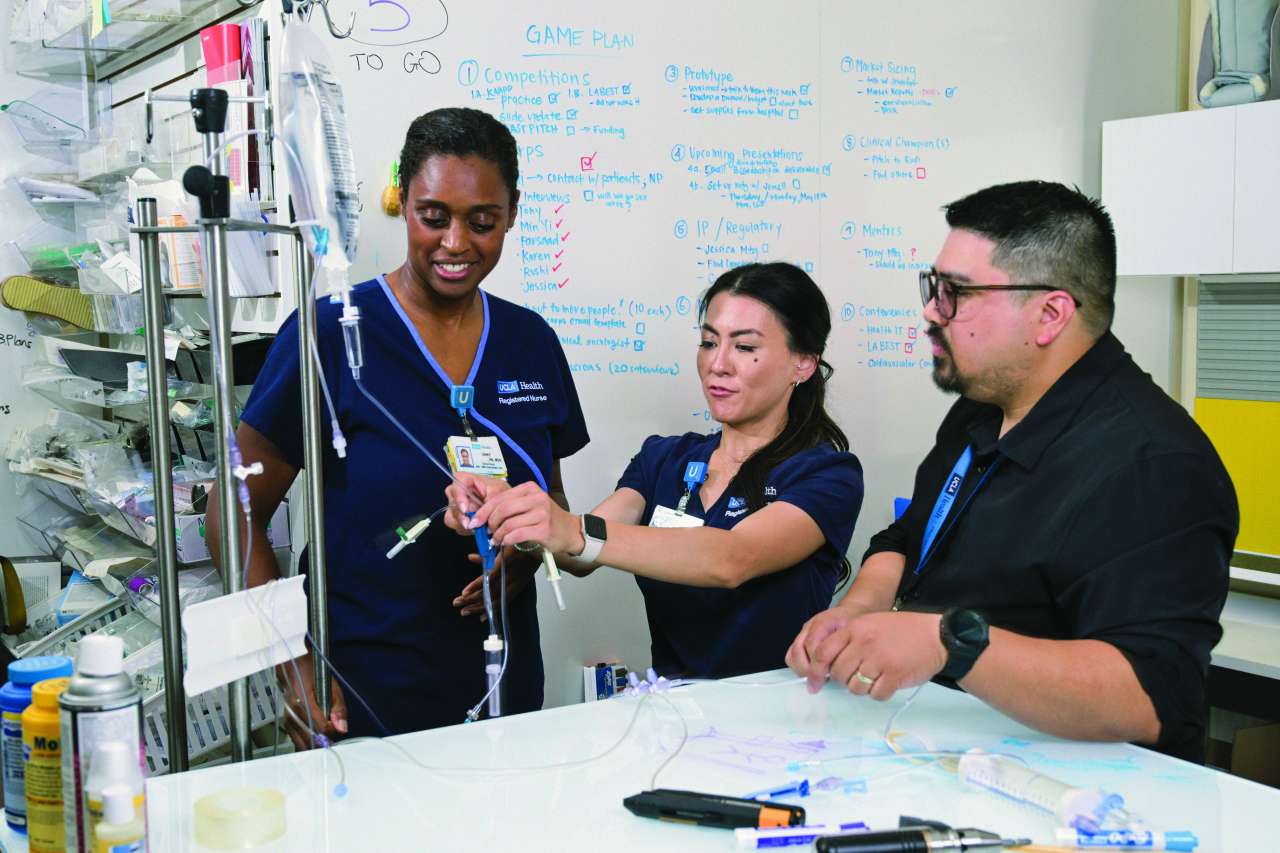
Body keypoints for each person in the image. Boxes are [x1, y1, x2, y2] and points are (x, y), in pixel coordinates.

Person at [786, 181, 1237, 762]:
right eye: (933, 287)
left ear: (1049, 313)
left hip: (1086, 798)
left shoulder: (1154, 465)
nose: (931, 311)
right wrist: (856, 612)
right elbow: (910, 537)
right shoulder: (984, 406)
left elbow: (1151, 695)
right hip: (955, 750)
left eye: (956, 293)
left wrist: (951, 643)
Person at [207, 108, 589, 746]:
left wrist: (526, 557)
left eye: (483, 221)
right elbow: (233, 508)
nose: (456, 243)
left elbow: (550, 506)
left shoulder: (531, 343)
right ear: (402, 203)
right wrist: (291, 664)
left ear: (513, 212)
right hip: (361, 696)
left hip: (505, 693)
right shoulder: (331, 335)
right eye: (433, 216)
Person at [449, 262, 863, 678]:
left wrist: (571, 529)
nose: (718, 364)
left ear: (803, 364)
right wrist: (510, 511)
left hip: (781, 719)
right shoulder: (665, 460)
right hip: (676, 717)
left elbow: (732, 559)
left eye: (744, 347)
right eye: (708, 342)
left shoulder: (827, 475)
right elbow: (579, 556)